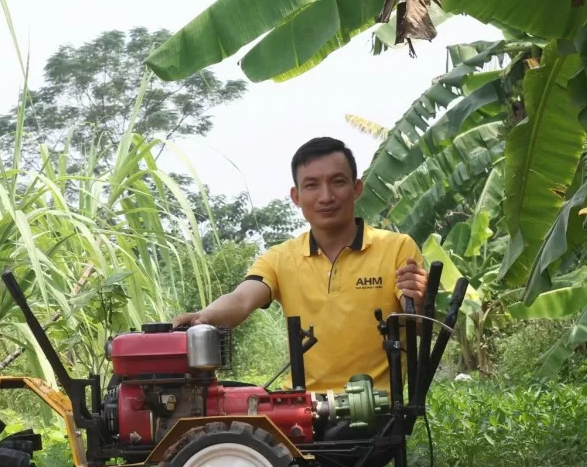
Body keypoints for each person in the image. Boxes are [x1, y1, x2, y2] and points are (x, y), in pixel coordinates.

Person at [173, 137, 428, 395]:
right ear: (296, 196)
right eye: (312, 185)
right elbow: (241, 299)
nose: (326, 196)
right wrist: (203, 317)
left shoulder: (397, 248)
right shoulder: (280, 257)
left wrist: (419, 302)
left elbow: (419, 324)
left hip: (376, 410)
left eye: (338, 182)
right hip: (300, 409)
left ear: (357, 188)